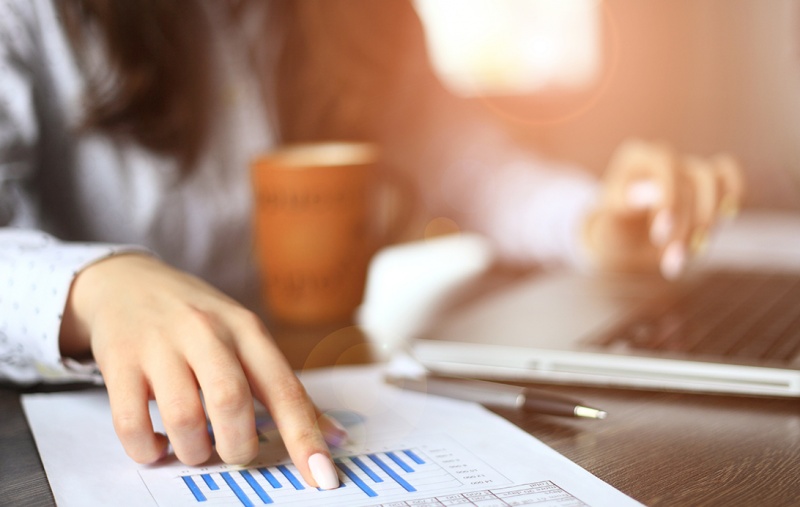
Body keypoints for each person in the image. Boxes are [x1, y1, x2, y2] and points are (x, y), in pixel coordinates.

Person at [0, 0, 741, 491]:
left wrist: (593, 220)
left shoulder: (359, 15)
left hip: (320, 372)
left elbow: (466, 162)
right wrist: (92, 288)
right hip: (65, 425)